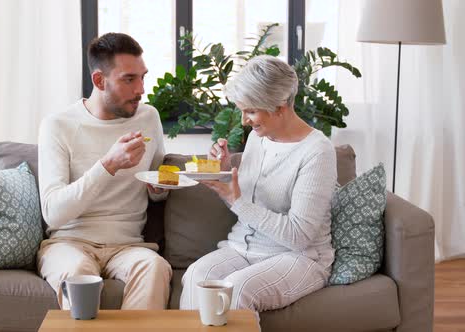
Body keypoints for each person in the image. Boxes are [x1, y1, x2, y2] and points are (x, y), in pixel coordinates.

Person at [179, 55, 338, 312]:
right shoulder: (257, 137)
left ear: (279, 106)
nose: (244, 121)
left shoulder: (317, 151)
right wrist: (222, 172)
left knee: (238, 289)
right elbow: (246, 200)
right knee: (197, 274)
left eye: (251, 111)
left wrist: (236, 201)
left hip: (299, 257)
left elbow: (298, 237)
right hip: (243, 247)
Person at [37, 32, 171, 310]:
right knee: (76, 274)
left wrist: (159, 188)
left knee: (155, 268)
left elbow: (156, 181)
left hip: (129, 246)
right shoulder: (58, 126)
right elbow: (53, 212)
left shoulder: (149, 117)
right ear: (99, 80)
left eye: (143, 77)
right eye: (129, 79)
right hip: (70, 243)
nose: (141, 90)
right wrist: (108, 165)